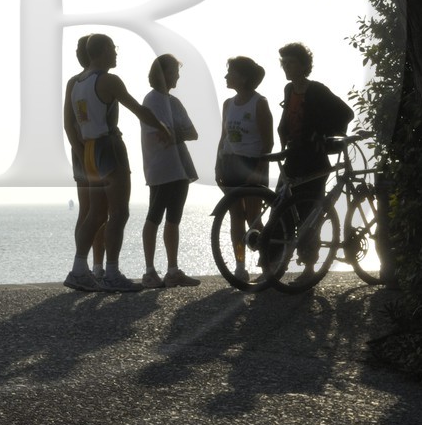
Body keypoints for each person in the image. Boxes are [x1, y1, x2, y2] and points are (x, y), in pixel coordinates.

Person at [65, 33, 170, 292]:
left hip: (86, 149)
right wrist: (163, 127)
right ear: (100, 51)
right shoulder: (108, 81)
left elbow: (69, 124)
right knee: (119, 212)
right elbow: (138, 110)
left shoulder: (75, 82)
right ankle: (111, 272)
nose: (116, 53)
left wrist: (80, 153)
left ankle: (79, 269)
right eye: (113, 48)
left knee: (95, 213)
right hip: (108, 146)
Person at [265, 42, 355, 268]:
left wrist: (322, 135)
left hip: (314, 159)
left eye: (291, 63)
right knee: (280, 209)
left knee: (309, 214)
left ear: (303, 65)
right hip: (293, 157)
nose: (286, 67)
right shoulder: (289, 90)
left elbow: (346, 113)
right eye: (283, 63)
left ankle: (309, 264)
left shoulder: (316, 89)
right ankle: (273, 264)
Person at [139, 54, 201, 288]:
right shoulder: (151, 100)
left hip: (180, 168)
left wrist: (175, 133)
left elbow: (191, 133)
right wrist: (176, 133)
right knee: (154, 216)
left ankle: (172, 269)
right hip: (161, 167)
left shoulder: (173, 102)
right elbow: (167, 132)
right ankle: (149, 270)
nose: (177, 76)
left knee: (173, 219)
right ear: (163, 73)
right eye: (174, 71)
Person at [215, 55, 272, 282]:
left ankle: (268, 261)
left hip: (251, 162)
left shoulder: (259, 102)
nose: (227, 76)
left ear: (244, 77)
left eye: (231, 72)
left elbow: (268, 142)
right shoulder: (228, 104)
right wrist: (217, 164)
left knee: (253, 217)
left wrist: (258, 170)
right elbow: (224, 137)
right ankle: (240, 266)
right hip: (230, 162)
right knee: (235, 216)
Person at [62, 34, 107, 279]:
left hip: (81, 150)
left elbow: (69, 125)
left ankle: (91, 265)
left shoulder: (75, 82)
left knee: (89, 210)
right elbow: (69, 124)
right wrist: (82, 152)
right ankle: (91, 265)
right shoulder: (82, 82)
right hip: (89, 150)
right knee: (97, 210)